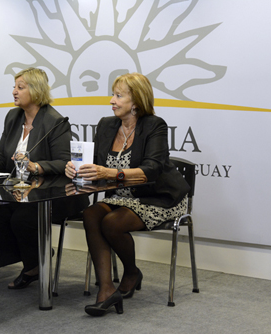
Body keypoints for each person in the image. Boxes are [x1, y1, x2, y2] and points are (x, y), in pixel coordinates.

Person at [65, 72, 190, 316]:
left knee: (112, 222)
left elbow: (151, 171)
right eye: (113, 94)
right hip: (123, 199)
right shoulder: (106, 125)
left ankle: (131, 272)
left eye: (118, 96)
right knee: (91, 213)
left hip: (159, 197)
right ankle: (107, 289)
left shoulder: (154, 125)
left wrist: (111, 173)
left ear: (136, 102)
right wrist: (76, 167)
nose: (112, 100)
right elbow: (97, 166)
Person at [0, 67, 76, 289]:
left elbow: (64, 162)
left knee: (21, 217)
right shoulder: (13, 116)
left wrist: (35, 166)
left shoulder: (55, 121)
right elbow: (0, 157)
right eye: (14, 87)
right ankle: (36, 256)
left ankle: (32, 265)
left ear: (36, 90)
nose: (14, 92)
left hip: (51, 192)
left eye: (20, 87)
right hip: (19, 190)